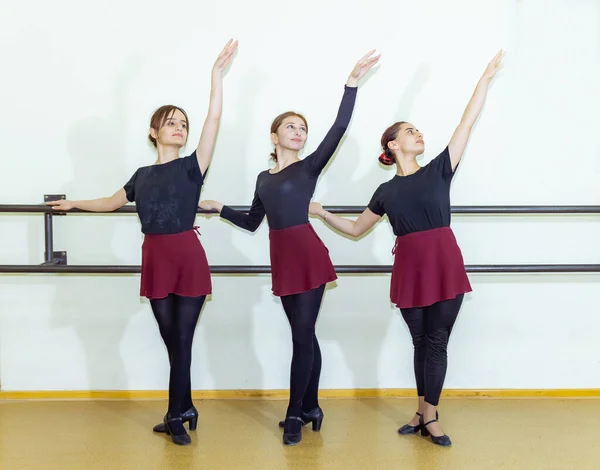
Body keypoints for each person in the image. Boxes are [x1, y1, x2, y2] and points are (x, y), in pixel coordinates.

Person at [45, 39, 239, 446]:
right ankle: (184, 406)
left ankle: (174, 416)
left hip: (186, 256)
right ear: (154, 132)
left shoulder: (193, 167)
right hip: (155, 257)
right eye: (171, 122)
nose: (180, 127)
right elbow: (111, 201)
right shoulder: (141, 175)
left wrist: (216, 76)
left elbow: (215, 120)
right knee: (173, 341)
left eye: (183, 123)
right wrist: (75, 203)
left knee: (182, 339)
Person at [308, 50, 505, 447]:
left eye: (418, 130)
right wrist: (321, 212)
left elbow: (466, 121)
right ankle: (422, 412)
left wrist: (483, 79)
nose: (419, 135)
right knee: (420, 343)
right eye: (410, 131)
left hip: (444, 263)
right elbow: (357, 228)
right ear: (393, 145)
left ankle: (429, 416)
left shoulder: (439, 170)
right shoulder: (385, 191)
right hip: (411, 270)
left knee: (437, 341)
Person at [198, 50, 380, 446]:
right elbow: (251, 221)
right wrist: (218, 207)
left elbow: (339, 126)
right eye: (291, 127)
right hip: (282, 259)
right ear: (274, 135)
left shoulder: (309, 166)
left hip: (309, 257)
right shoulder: (264, 178)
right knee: (306, 335)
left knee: (301, 337)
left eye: (302, 128)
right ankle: (312, 405)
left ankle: (294, 412)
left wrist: (351, 83)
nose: (299, 132)